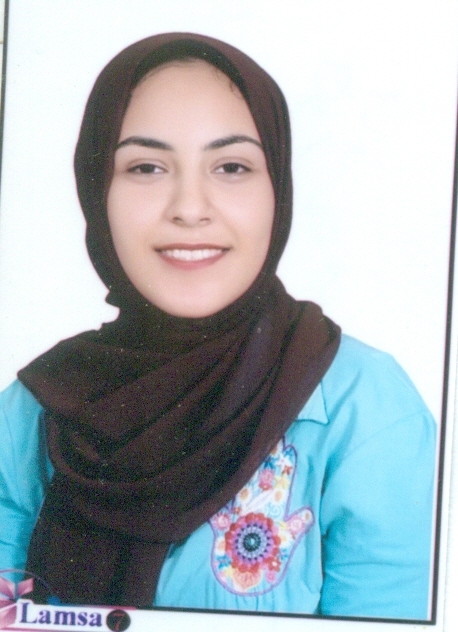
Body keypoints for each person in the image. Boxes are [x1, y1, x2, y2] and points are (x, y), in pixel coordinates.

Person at [0, 33, 436, 619]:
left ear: (277, 189)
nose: (189, 207)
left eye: (231, 167)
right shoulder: (34, 412)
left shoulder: (364, 412)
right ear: (96, 190)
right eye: (146, 167)